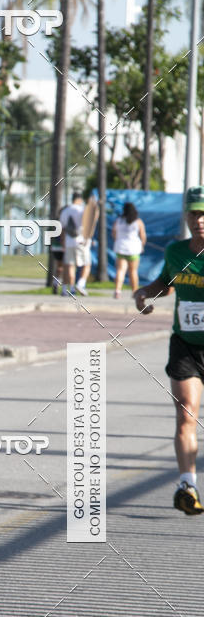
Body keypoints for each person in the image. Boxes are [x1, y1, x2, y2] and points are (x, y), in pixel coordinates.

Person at [134, 185, 204, 516]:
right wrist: (145, 292)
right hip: (185, 345)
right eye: (194, 213)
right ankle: (187, 484)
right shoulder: (177, 252)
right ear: (186, 217)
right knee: (185, 412)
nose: (199, 220)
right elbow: (166, 282)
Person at [112, 202, 147, 299]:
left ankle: (117, 291)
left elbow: (114, 233)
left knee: (120, 270)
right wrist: (142, 245)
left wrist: (118, 241)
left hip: (121, 247)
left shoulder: (118, 220)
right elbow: (143, 235)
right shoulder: (138, 221)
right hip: (134, 248)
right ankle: (135, 292)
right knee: (133, 271)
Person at [60, 191, 90, 297]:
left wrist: (63, 242)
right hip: (81, 241)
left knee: (70, 266)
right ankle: (81, 284)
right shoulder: (82, 210)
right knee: (86, 264)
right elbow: (88, 224)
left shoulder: (65, 211)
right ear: (80, 199)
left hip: (69, 242)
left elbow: (62, 229)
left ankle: (70, 288)